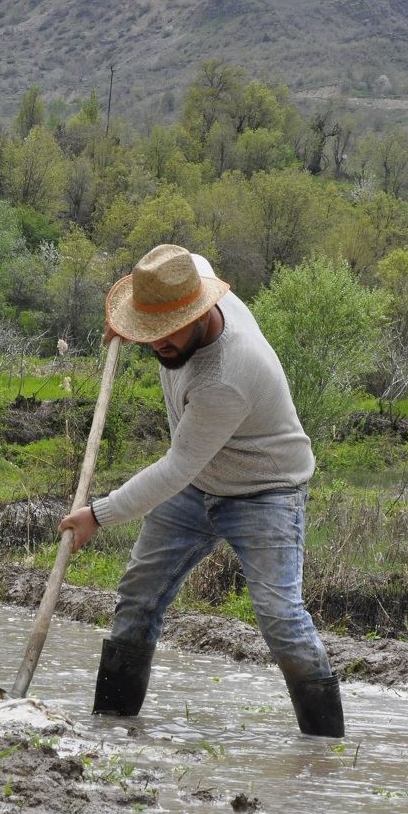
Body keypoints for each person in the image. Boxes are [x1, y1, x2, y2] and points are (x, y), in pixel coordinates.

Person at [57, 244, 344, 737]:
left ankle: (325, 748)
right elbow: (177, 262)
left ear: (201, 311)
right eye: (148, 332)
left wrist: (97, 514)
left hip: (265, 491)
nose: (158, 344)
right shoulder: (189, 278)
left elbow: (175, 469)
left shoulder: (227, 375)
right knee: (138, 596)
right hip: (196, 488)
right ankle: (111, 725)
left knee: (280, 617)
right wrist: (131, 325)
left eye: (167, 333)